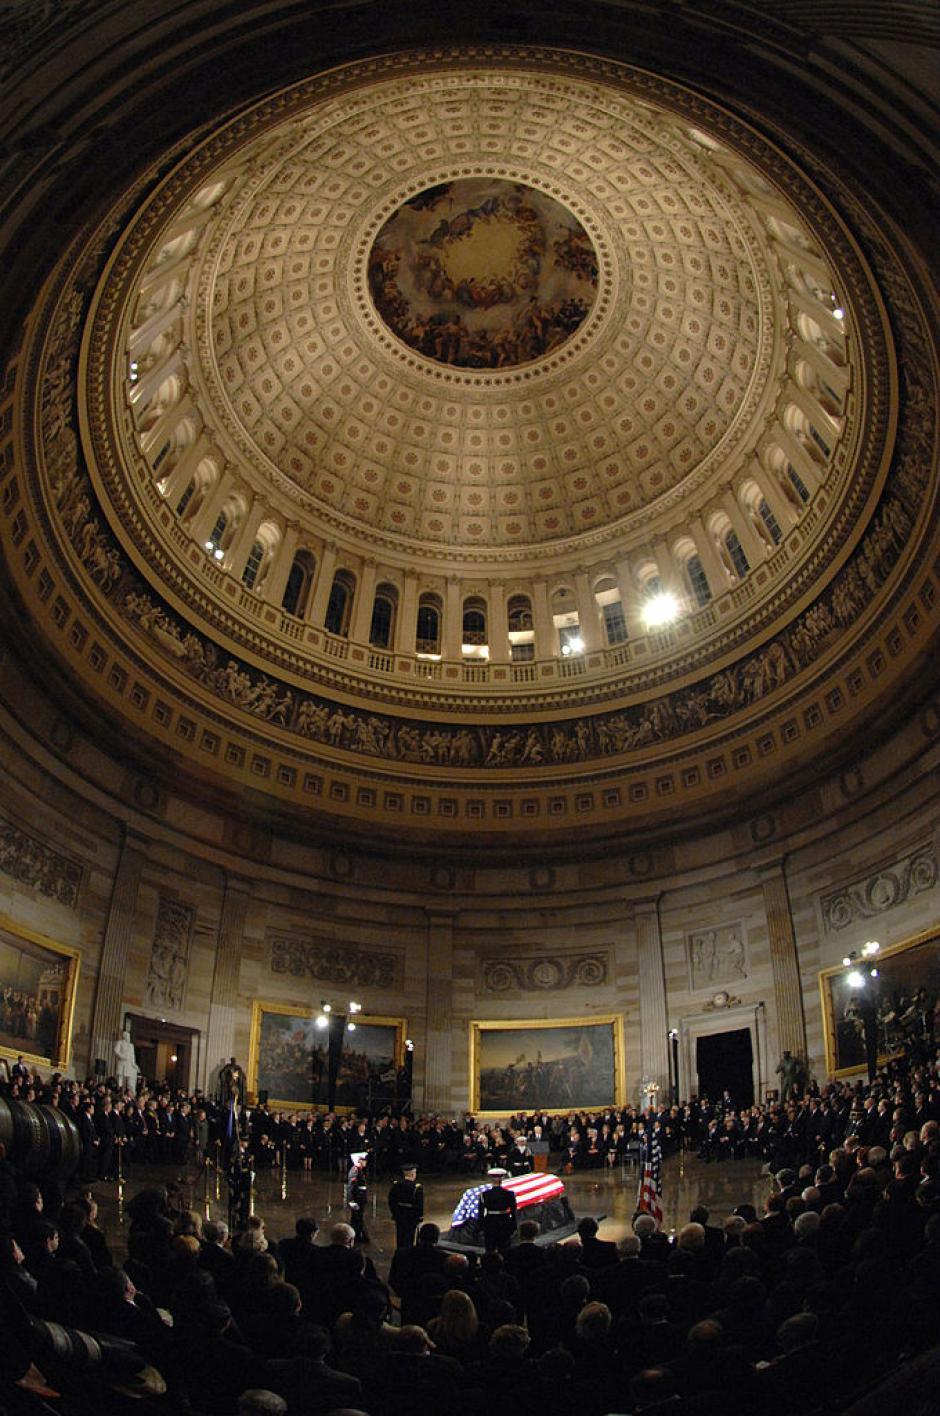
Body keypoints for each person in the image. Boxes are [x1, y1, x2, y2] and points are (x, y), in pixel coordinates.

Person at [479, 1168, 517, 1254]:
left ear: (491, 1179)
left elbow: (481, 1213)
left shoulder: (484, 1194)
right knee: (504, 1249)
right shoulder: (509, 1194)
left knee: (490, 1249)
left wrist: (481, 1227)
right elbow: (513, 1211)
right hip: (504, 1222)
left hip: (489, 1223)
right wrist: (513, 1225)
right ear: (502, 1179)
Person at [388, 1162, 424, 1248]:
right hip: (411, 1216)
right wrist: (419, 1217)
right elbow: (419, 1205)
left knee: (400, 1235)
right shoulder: (417, 1187)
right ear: (412, 1174)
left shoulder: (397, 1185)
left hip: (399, 1214)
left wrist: (395, 1212)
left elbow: (391, 1200)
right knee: (409, 1237)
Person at [227, 1135, 253, 1231]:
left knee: (245, 1201)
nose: (247, 1143)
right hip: (238, 1179)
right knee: (237, 1200)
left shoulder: (246, 1153)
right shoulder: (236, 1153)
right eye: (245, 1141)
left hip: (245, 1179)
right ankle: (236, 1218)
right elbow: (232, 1165)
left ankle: (244, 1218)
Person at [347, 1154, 370, 1244]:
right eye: (363, 1160)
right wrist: (351, 1201)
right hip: (357, 1199)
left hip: (360, 1198)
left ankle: (358, 1235)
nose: (365, 1162)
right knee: (356, 1219)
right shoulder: (355, 1171)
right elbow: (350, 1187)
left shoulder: (359, 1170)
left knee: (358, 1218)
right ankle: (356, 1237)